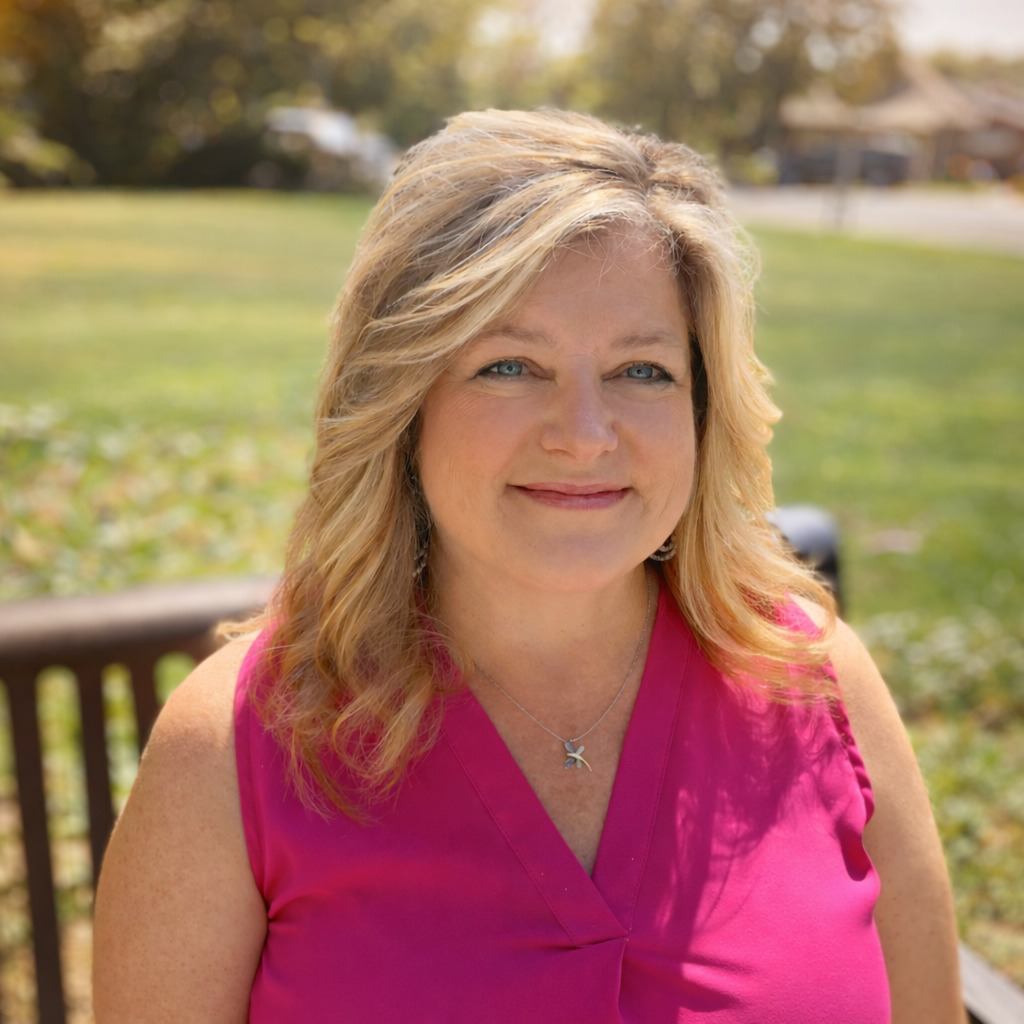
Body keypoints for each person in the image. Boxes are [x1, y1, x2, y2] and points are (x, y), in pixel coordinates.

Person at [93, 109, 964, 1023]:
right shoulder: (234, 749)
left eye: (643, 371)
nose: (585, 435)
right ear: (403, 401)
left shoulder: (817, 679)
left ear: (704, 414)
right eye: (511, 366)